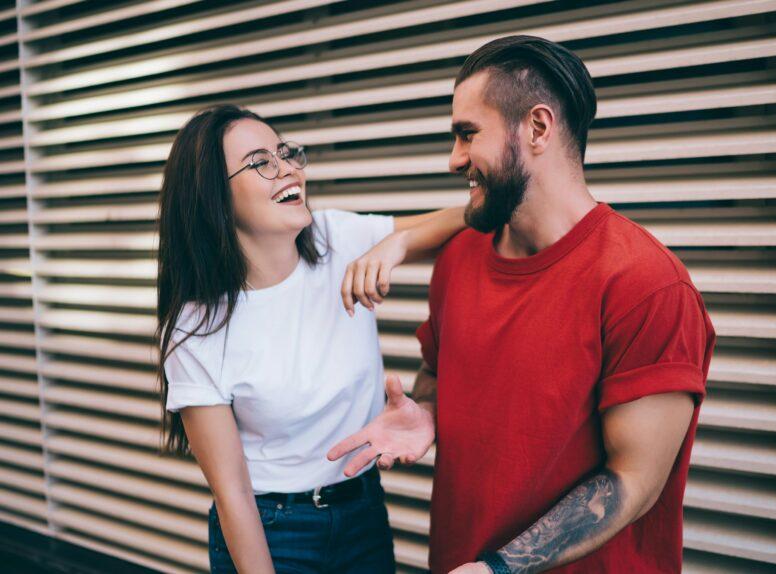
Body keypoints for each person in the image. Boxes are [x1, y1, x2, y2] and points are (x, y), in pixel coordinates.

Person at [328, 36, 716, 573]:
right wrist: (429, 413)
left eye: (468, 135)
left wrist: (499, 568)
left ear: (537, 127)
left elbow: (634, 480)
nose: (454, 159)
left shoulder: (647, 284)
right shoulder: (460, 257)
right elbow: (437, 371)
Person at [156, 104, 464, 573]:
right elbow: (233, 492)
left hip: (362, 509)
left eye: (285, 153)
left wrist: (396, 243)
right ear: (213, 196)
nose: (288, 169)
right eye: (261, 162)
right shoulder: (196, 330)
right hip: (273, 528)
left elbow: (468, 216)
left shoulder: (335, 237)